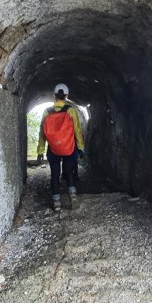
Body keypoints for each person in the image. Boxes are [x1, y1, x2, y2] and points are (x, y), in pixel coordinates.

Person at [37, 83, 85, 212]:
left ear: (54, 96)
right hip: (69, 147)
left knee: (54, 174)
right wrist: (81, 147)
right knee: (69, 171)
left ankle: (56, 203)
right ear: (66, 96)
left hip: (53, 149)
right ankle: (73, 197)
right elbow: (77, 131)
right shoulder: (71, 110)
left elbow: (42, 132)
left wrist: (40, 150)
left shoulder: (47, 112)